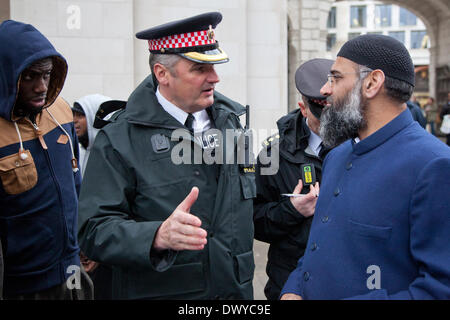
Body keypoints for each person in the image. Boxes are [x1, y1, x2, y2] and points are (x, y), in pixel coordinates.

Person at [77, 12, 256, 300]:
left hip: (234, 293)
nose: (215, 78)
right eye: (200, 69)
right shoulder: (120, 138)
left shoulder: (232, 122)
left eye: (215, 66)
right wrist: (156, 236)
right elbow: (93, 230)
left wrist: (291, 210)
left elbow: (245, 206)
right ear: (162, 74)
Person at [281, 34, 450, 300]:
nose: (325, 89)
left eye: (335, 78)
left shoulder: (435, 166)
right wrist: (294, 288)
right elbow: (319, 246)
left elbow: (440, 289)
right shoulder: (336, 156)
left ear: (372, 83)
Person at [0, 20, 92, 299]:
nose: (41, 86)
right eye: (29, 76)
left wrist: (86, 244)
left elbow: (76, 187)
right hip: (23, 286)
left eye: (47, 75)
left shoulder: (62, 111)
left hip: (72, 273)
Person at [253, 59, 331, 300]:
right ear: (304, 108)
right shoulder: (272, 156)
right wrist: (292, 210)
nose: (333, 126)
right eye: (323, 119)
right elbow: (253, 220)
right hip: (288, 283)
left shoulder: (359, 146)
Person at [72, 94, 112, 177]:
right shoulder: (79, 153)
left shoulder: (111, 157)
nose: (74, 120)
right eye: (73, 115)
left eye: (80, 115)